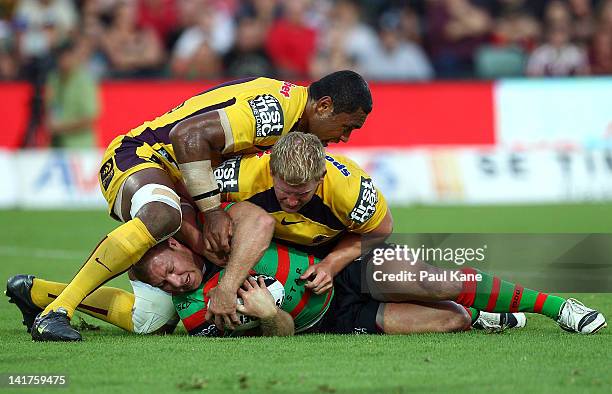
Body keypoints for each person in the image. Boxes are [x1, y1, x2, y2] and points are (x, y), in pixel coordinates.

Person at [30, 71, 372, 341]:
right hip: (141, 158)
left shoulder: (290, 117)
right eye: (346, 127)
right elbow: (187, 136)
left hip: (180, 186)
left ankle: (35, 293)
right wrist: (212, 213)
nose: (344, 138)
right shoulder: (276, 110)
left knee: (152, 319)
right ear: (323, 106)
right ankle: (58, 313)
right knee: (164, 215)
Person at [215, 132, 392, 297]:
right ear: (271, 172)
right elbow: (190, 195)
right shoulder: (237, 178)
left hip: (335, 251)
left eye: (302, 194)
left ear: (321, 176)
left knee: (410, 279)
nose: (291, 202)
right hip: (271, 257)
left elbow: (382, 230)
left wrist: (332, 263)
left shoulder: (350, 192)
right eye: (284, 191)